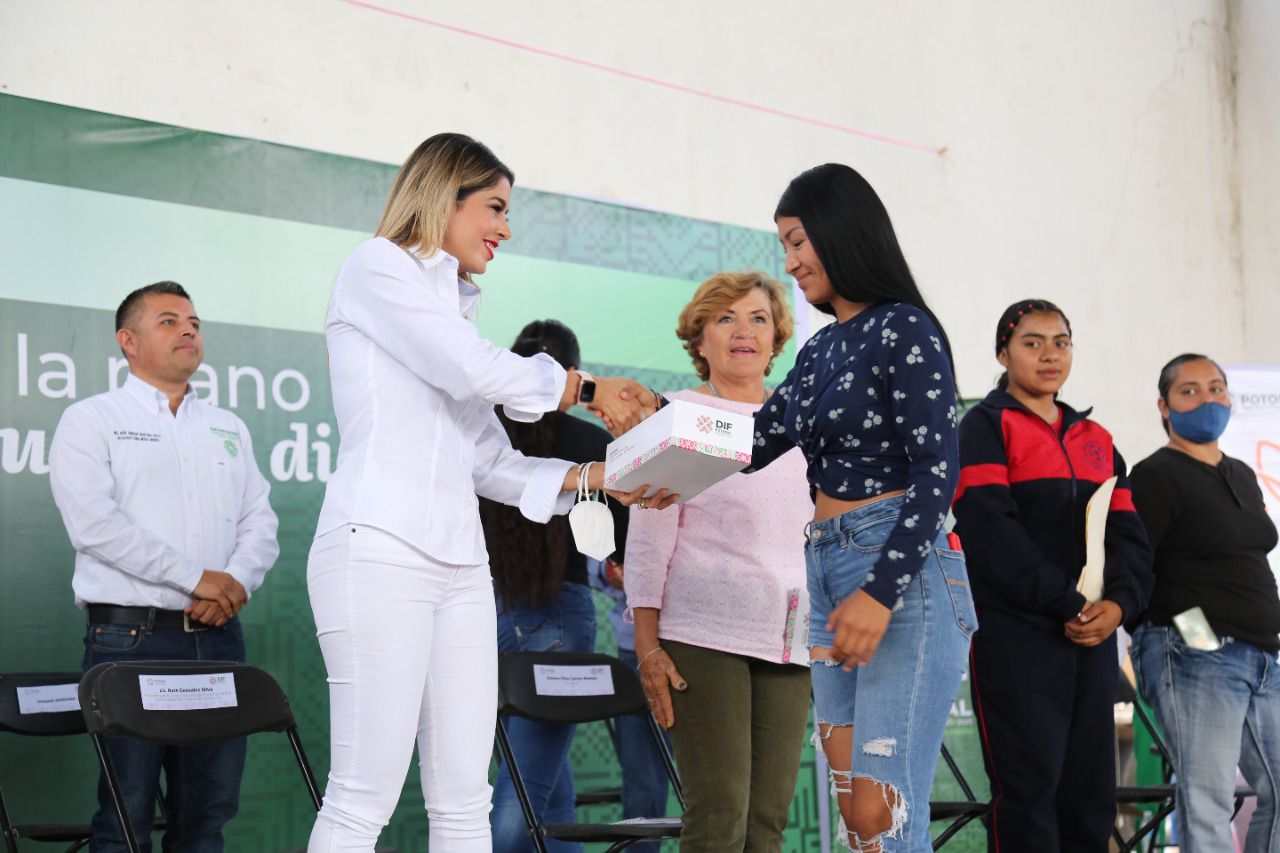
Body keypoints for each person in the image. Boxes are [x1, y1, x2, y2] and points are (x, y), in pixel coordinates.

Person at [305, 133, 670, 853]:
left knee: (466, 803)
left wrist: (600, 480)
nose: (506, 227)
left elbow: (490, 461)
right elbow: (469, 368)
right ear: (444, 195)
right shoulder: (375, 267)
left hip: (463, 569)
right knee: (361, 797)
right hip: (376, 551)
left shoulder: (454, 311)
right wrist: (585, 387)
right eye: (495, 207)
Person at [743, 164, 975, 851]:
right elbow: (754, 441)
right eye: (784, 245)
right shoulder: (817, 352)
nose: (789, 262)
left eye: (797, 241)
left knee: (886, 805)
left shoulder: (907, 329)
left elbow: (939, 472)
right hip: (825, 568)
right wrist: (656, 434)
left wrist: (881, 590)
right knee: (861, 816)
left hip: (897, 573)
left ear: (840, 232)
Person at [48, 281, 280, 852]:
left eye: (194, 321)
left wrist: (233, 585)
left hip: (219, 638)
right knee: (125, 816)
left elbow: (260, 522)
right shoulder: (91, 419)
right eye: (170, 321)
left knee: (209, 813)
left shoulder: (228, 427)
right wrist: (198, 578)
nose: (189, 331)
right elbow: (95, 526)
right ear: (128, 342)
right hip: (129, 640)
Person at [952, 299, 1153, 852]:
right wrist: (1064, 602)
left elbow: (1130, 539)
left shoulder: (1098, 440)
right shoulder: (984, 429)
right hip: (1018, 634)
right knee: (1028, 794)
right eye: (1032, 342)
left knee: (1090, 796)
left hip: (1092, 637)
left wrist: (1119, 606)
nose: (1049, 355)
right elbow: (990, 532)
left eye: (1060, 342)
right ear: (1003, 353)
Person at [625, 269, 812, 853]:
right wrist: (648, 644)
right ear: (699, 337)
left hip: (789, 640)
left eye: (758, 318)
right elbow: (650, 535)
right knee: (719, 819)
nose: (743, 331)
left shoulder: (799, 424)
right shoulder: (678, 414)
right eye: (725, 317)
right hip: (701, 636)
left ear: (777, 337)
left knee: (766, 826)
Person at [482, 319, 632, 852]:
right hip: (561, 622)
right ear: (573, 373)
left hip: (486, 617)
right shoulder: (590, 442)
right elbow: (621, 546)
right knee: (523, 793)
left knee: (545, 787)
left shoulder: (486, 434)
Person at [1129, 354, 1280, 853]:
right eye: (1190, 391)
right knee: (1208, 798)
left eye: (1216, 388)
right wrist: (1200, 638)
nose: (1208, 399)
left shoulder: (1239, 473)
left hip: (1262, 655)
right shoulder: (1155, 475)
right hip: (1196, 653)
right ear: (1164, 406)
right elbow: (1136, 568)